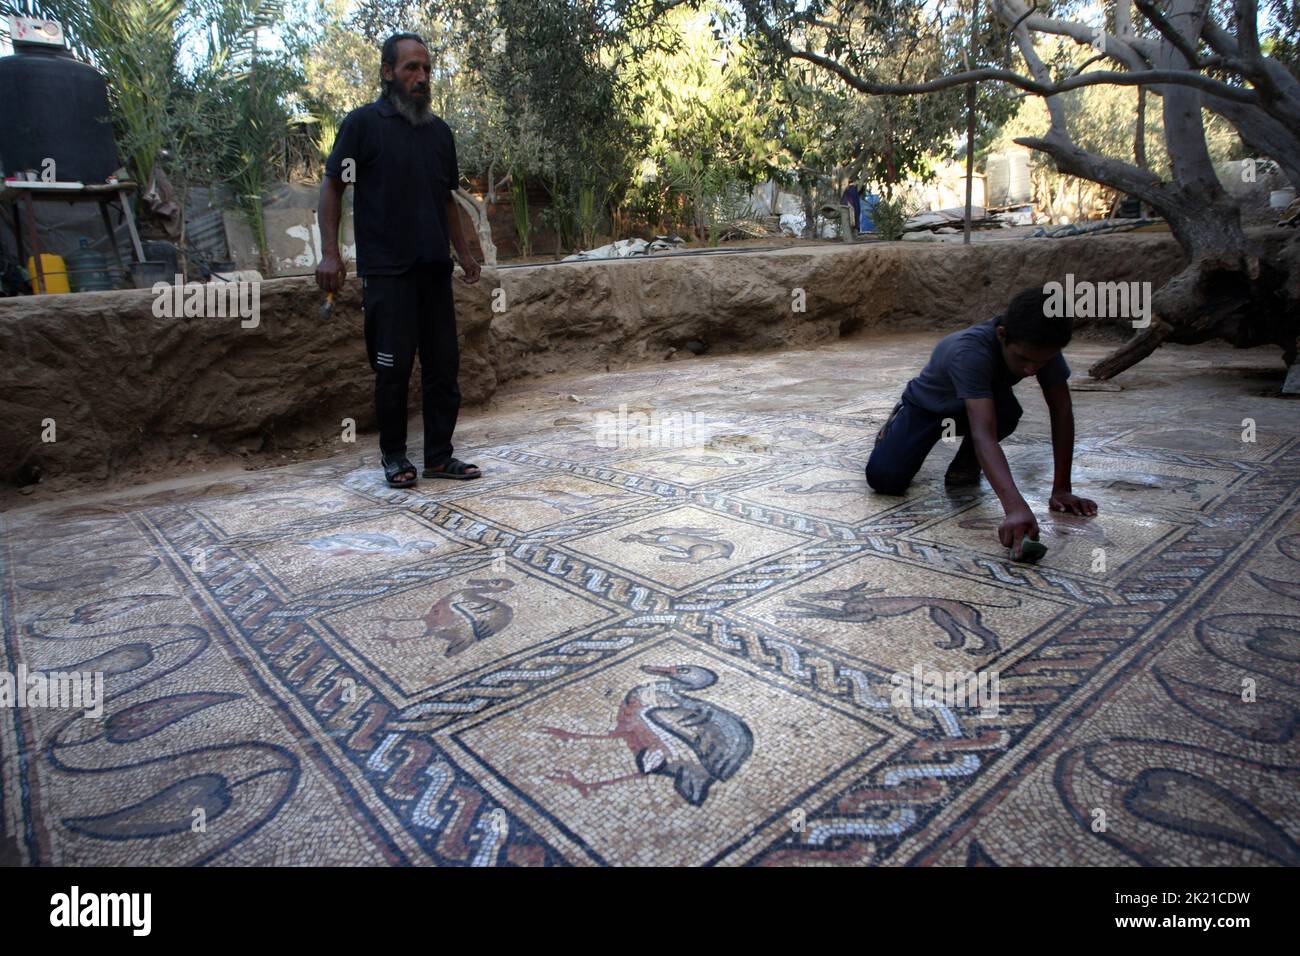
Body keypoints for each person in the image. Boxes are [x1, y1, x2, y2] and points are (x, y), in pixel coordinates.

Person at [315, 31, 482, 488]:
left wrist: (464, 253)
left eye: (427, 68)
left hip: (433, 271)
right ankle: (394, 456)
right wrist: (330, 252)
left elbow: (447, 200)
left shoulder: (439, 133)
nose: (421, 77)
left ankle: (439, 456)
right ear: (388, 72)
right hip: (387, 272)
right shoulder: (363, 125)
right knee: (392, 369)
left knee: (443, 367)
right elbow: (333, 186)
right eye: (411, 68)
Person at [865, 286, 1098, 553]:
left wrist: (1062, 488)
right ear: (1001, 336)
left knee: (1006, 412)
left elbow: (1061, 412)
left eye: (1041, 363)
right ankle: (893, 428)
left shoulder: (1041, 349)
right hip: (928, 409)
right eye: (1022, 359)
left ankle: (965, 464)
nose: (1031, 370)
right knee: (885, 479)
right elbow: (983, 433)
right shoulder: (970, 352)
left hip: (976, 407)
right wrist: (1015, 508)